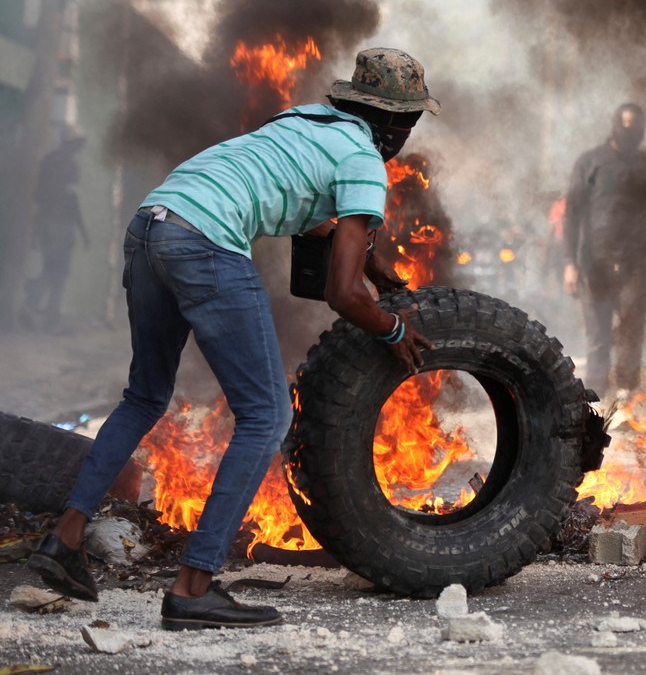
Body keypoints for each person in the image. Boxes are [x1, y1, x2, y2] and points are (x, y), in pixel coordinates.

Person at [28, 48, 440, 630]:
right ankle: (194, 587)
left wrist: (380, 272)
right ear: (395, 125)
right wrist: (394, 326)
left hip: (152, 225)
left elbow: (317, 216)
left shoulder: (300, 121)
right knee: (265, 415)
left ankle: (63, 542)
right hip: (205, 245)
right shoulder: (365, 161)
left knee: (144, 396)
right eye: (411, 122)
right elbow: (342, 297)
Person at [562, 102, 646, 403]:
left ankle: (626, 398)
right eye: (626, 124)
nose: (631, 131)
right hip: (595, 264)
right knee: (598, 338)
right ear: (614, 125)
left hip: (636, 263)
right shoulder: (590, 161)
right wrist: (570, 263)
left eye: (637, 126)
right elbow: (572, 215)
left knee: (631, 333)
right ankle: (595, 401)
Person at [21, 130, 90, 332]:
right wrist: (84, 232)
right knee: (58, 272)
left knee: (49, 269)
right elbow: (72, 202)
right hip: (61, 226)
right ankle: (49, 317)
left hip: (46, 223)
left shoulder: (48, 161)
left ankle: (31, 307)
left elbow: (38, 197)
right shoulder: (69, 167)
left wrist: (36, 228)